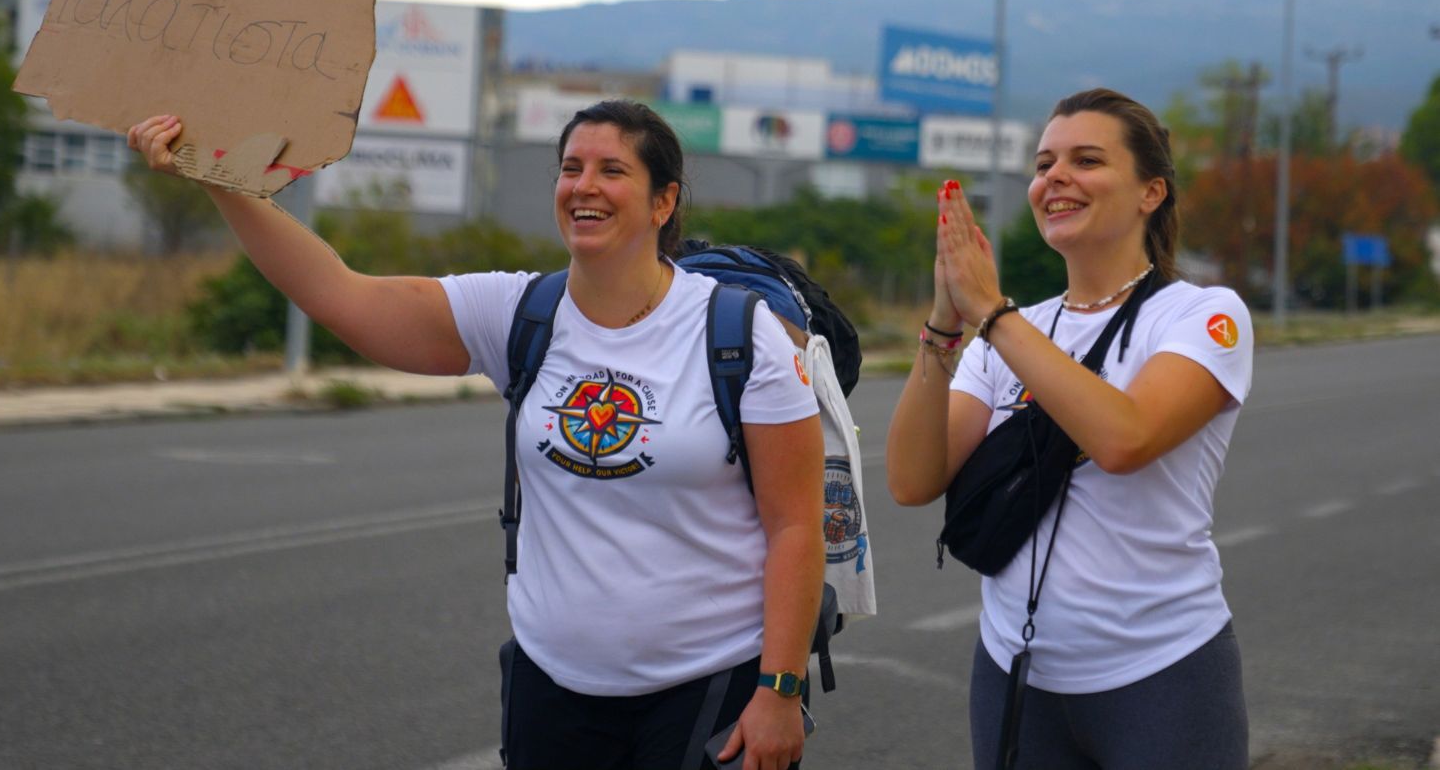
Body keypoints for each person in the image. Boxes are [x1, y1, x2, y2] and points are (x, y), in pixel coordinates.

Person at [127, 100, 825, 770]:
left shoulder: (739, 335)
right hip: (554, 687)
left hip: (707, 685)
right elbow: (341, 294)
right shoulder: (518, 312)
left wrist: (780, 690)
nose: (584, 186)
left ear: (663, 202)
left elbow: (795, 526)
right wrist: (219, 182)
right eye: (571, 168)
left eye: (612, 170)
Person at [886, 88, 1254, 769]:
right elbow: (912, 480)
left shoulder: (1200, 315)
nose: (1055, 178)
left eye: (1086, 161)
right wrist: (945, 322)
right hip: (1015, 670)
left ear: (1151, 192)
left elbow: (1124, 439)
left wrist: (992, 313)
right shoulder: (1014, 330)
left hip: (1163, 673)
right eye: (1043, 163)